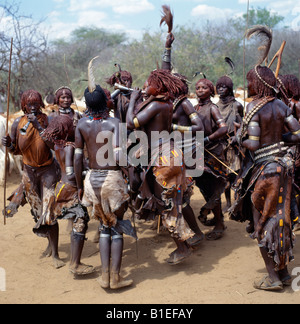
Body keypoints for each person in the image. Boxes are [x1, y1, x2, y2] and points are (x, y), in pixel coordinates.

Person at [229, 64, 300, 291]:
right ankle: (284, 273)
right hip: (283, 169)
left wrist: (238, 138)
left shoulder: (253, 107)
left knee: (261, 223)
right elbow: (297, 134)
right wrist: (279, 141)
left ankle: (273, 278)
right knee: (281, 220)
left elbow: (254, 143)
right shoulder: (281, 105)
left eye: (250, 81)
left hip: (265, 172)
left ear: (258, 83)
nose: (247, 85)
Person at [75, 64, 135, 289]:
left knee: (103, 227)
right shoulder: (114, 124)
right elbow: (120, 156)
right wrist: (130, 174)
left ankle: (104, 277)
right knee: (117, 226)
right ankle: (116, 277)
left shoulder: (81, 124)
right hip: (111, 179)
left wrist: (79, 185)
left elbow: (78, 159)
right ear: (106, 102)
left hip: (91, 179)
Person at [126, 69, 195, 265]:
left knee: (167, 205)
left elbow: (132, 122)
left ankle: (182, 248)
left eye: (149, 83)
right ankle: (186, 242)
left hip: (163, 157)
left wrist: (132, 100)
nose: (145, 86)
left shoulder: (157, 104)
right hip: (170, 153)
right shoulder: (166, 103)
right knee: (173, 203)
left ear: (160, 86)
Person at [2, 89, 64, 269]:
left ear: (40, 104)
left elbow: (54, 146)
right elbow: (16, 150)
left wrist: (38, 126)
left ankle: (56, 254)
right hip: (29, 172)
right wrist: (9, 145)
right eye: (29, 104)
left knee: (49, 209)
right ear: (24, 105)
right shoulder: (17, 123)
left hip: (48, 170)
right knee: (38, 211)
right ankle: (49, 245)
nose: (33, 107)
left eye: (36, 103)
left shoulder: (48, 120)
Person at [160, 31, 205, 247]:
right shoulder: (166, 102)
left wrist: (174, 127)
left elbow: (199, 126)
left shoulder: (183, 103)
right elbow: (163, 71)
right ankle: (193, 233)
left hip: (185, 153)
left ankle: (195, 233)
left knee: (181, 198)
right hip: (171, 153)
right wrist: (166, 49)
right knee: (179, 198)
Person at [42, 114, 95, 276]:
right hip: (71, 186)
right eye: (72, 125)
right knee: (81, 222)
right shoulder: (71, 147)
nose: (75, 126)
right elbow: (72, 172)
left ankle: (75, 261)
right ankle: (75, 263)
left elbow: (44, 136)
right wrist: (83, 180)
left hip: (61, 186)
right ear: (66, 130)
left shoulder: (57, 145)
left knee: (80, 222)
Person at [194, 78, 228, 240]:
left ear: (210, 90)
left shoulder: (212, 108)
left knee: (214, 189)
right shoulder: (194, 108)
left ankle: (220, 225)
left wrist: (207, 140)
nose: (200, 90)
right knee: (204, 188)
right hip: (199, 153)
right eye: (197, 88)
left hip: (213, 153)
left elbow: (224, 128)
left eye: (203, 87)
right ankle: (217, 218)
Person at [215, 75, 244, 211]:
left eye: (224, 86)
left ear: (230, 88)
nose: (221, 89)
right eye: (219, 86)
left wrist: (237, 136)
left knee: (234, 174)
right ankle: (226, 202)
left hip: (233, 145)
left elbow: (244, 124)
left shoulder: (237, 105)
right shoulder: (215, 107)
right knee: (223, 175)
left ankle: (236, 201)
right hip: (219, 145)